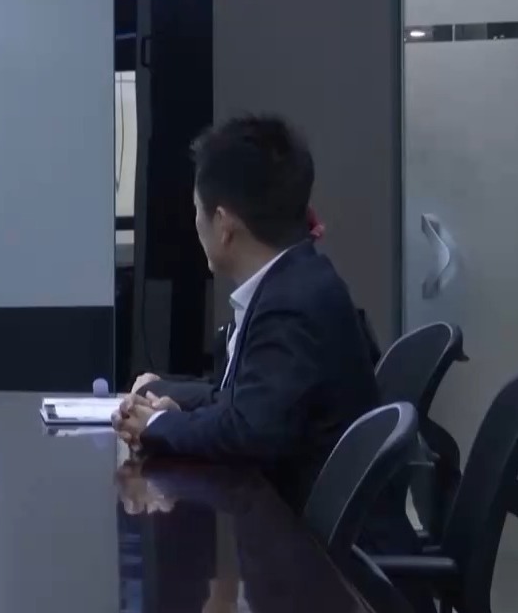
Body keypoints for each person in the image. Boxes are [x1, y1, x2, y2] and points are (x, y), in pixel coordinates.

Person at [113, 115, 380, 510]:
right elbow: (241, 402)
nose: (196, 224)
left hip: (308, 541)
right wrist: (169, 401)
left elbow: (248, 431)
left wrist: (155, 424)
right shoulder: (296, 280)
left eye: (197, 211)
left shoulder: (291, 305)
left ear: (223, 225)